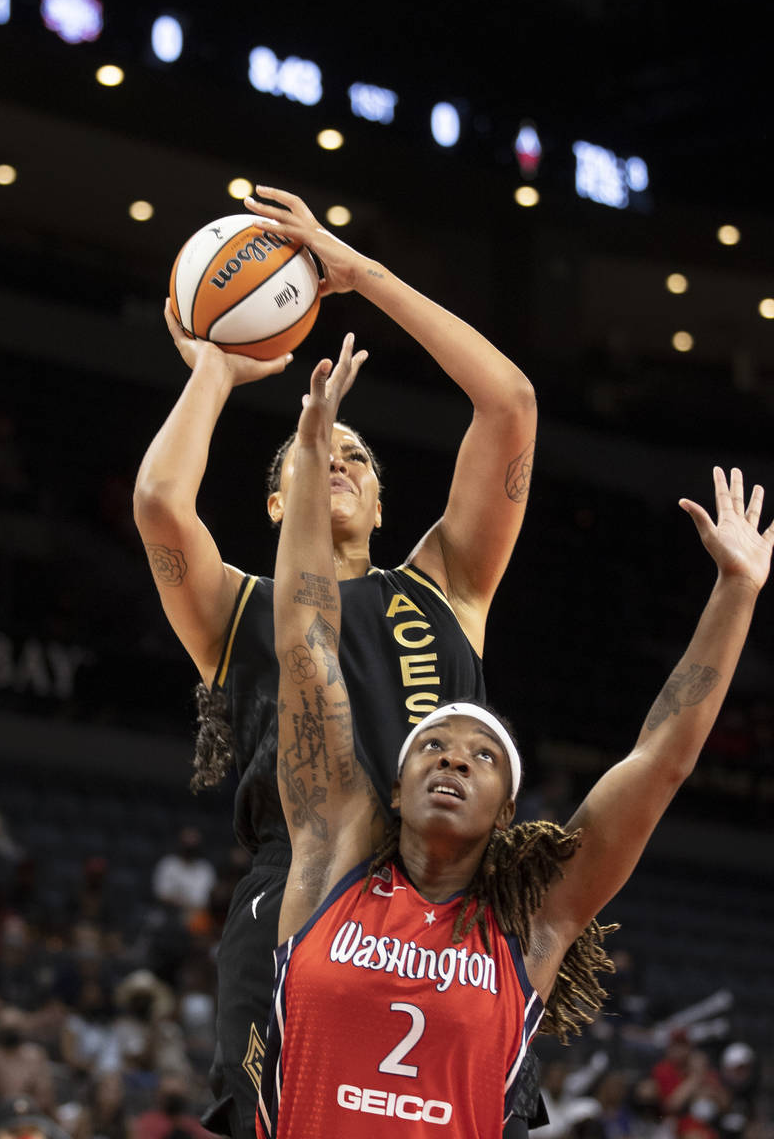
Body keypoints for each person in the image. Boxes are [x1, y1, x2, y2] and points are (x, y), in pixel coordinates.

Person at [258, 339, 774, 1137]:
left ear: (506, 810)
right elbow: (306, 640)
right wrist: (308, 451)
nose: (453, 760)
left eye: (480, 758)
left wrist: (736, 593)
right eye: (433, 748)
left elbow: (659, 760)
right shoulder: (329, 860)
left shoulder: (531, 926)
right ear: (391, 790)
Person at [133, 187, 538, 1137]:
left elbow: (509, 402)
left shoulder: (448, 585)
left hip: (445, 891)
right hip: (303, 883)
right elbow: (160, 504)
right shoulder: (244, 606)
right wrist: (213, 372)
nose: (343, 460)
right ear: (281, 504)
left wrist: (361, 277)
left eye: (360, 455)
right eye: (319, 455)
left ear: (387, 503)